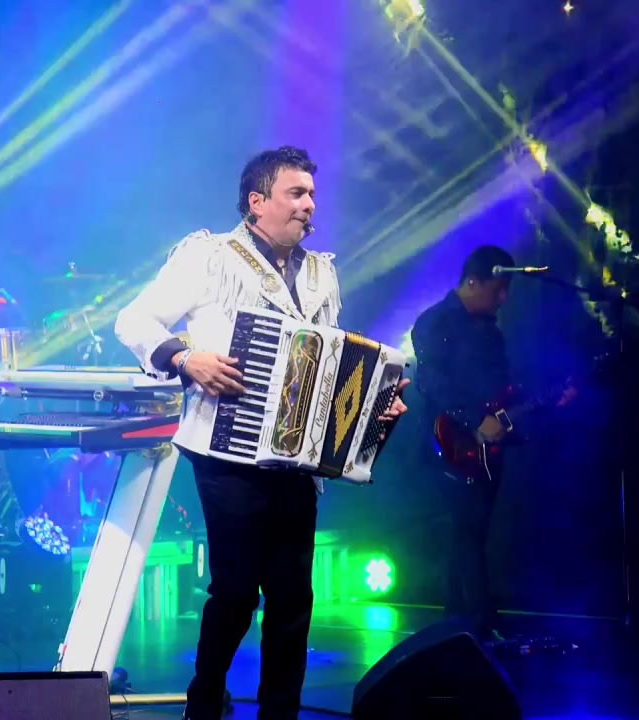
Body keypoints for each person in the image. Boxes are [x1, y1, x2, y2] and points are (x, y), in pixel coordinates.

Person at [114, 146, 409, 720]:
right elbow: (134, 320)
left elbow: (330, 367)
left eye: (312, 194)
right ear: (257, 201)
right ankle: (204, 705)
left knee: (293, 597)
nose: (309, 205)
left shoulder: (321, 272)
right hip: (225, 449)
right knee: (235, 591)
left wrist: (373, 408)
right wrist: (185, 358)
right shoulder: (209, 257)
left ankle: (280, 715)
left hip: (295, 460)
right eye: (296, 193)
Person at [409, 245, 573, 641]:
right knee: (467, 532)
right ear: (472, 281)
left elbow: (503, 392)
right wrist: (473, 419)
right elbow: (431, 382)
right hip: (450, 443)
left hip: (488, 450)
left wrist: (548, 400)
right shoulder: (434, 321)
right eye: (498, 289)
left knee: (471, 534)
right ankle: (481, 625)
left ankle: (455, 626)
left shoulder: (492, 333)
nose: (503, 298)